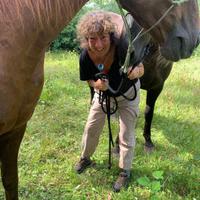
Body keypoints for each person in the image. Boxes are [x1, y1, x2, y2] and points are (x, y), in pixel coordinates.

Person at [74, 10, 144, 192]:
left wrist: (136, 72)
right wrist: (96, 85)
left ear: (110, 35)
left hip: (128, 94)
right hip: (104, 95)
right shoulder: (85, 56)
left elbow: (141, 68)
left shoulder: (123, 46)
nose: (98, 44)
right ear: (86, 38)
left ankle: (124, 171)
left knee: (126, 133)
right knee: (91, 127)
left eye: (103, 37)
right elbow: (89, 79)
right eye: (92, 39)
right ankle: (85, 158)